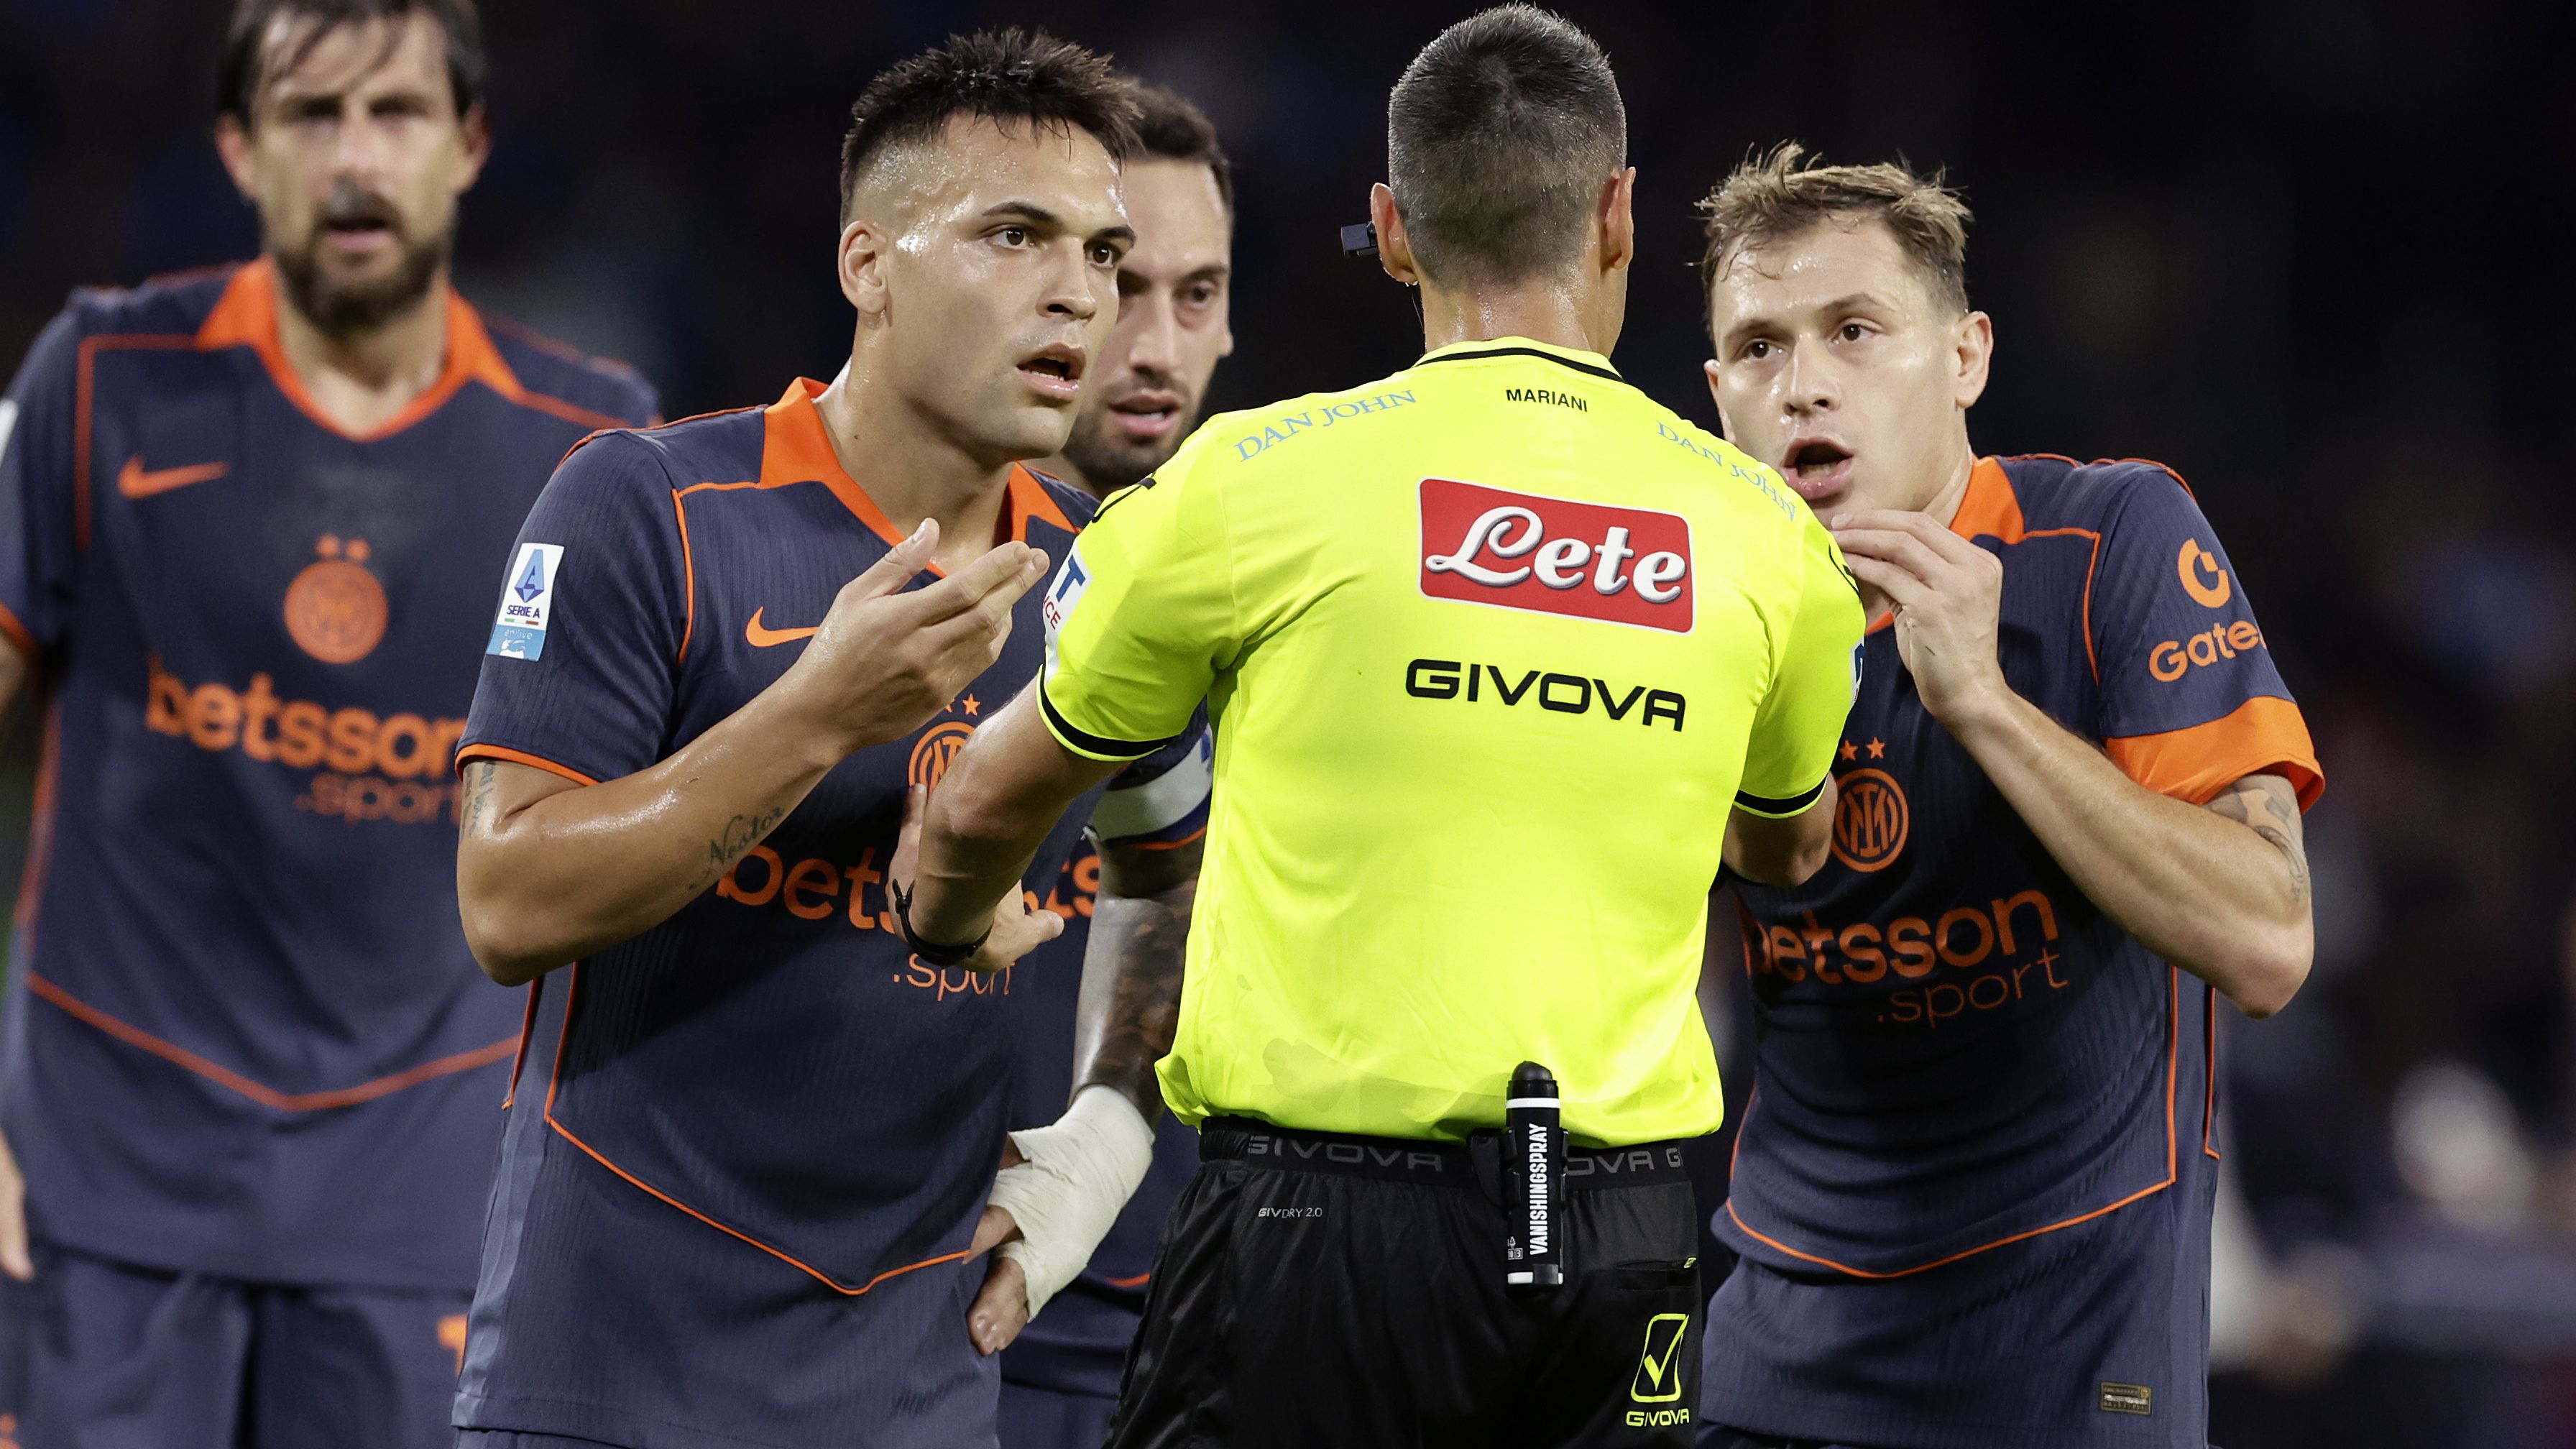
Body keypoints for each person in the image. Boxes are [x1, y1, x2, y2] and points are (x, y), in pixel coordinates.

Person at [901, 10, 1863, 1445]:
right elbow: (1786, 850)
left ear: (1394, 230)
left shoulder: (1252, 480)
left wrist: (946, 916)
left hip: (1316, 1229)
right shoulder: (1770, 539)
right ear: (1617, 214)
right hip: (1627, 1235)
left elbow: (989, 800)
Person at [446, 30, 1207, 1449]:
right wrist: (818, 715)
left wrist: (1107, 1130)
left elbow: (1175, 873)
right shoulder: (650, 509)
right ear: (869, 265)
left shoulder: (1107, 580)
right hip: (607, 1381)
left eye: (1102, 254)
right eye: (1014, 236)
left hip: (921, 1392)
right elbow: (507, 902)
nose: (1078, 293)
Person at [0, 1, 656, 1444]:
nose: (355, 158)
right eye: (311, 115)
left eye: (396, 113)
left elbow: (629, 844)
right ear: (241, 149)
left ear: (467, 145)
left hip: (425, 1201)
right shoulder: (102, 378)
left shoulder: (593, 446)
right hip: (99, 1188)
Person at [1689, 146, 2322, 1449]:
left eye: (1855, 331)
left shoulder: (2111, 541)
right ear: (1717, 399)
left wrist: (1982, 701)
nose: (1803, 382)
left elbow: (2267, 939)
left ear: (1966, 357)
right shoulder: (1705, 614)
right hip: (1778, 1365)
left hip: (2072, 1372)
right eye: (1758, 348)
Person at [998, 79, 1233, 1449]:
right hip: (955, 1312)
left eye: (1196, 296)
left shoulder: (1293, 597)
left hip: (1213, 1322)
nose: (1152, 345)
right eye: (1118, 283)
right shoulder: (907, 588)